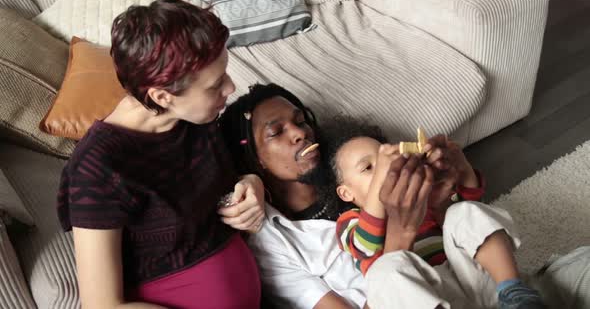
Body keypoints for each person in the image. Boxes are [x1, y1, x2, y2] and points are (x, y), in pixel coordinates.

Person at [222, 83, 590, 309]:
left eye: (301, 120)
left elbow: (463, 220)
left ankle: (520, 295)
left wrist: (454, 177)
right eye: (276, 132)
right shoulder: (278, 241)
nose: (299, 133)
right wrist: (399, 232)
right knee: (386, 270)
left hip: (491, 289)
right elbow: (381, 267)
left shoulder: (345, 158)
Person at [56, 0, 265, 309]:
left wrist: (253, 186)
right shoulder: (98, 169)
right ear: (162, 96)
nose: (231, 88)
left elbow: (226, 182)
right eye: (215, 84)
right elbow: (102, 305)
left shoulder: (196, 118)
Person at [323, 116, 546, 309]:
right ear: (346, 193)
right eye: (368, 167)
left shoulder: (420, 197)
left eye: (385, 162)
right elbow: (365, 246)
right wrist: (383, 175)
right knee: (383, 271)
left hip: (471, 280)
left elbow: (472, 205)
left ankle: (515, 292)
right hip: (425, 296)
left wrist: (461, 164)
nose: (385, 169)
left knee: (462, 211)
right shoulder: (350, 221)